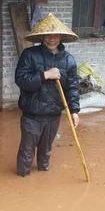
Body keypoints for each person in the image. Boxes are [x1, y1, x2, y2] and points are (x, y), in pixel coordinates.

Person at [15, 13, 80, 177]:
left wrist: (74, 111)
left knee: (46, 151)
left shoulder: (69, 61)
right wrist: (45, 75)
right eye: (48, 35)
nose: (52, 39)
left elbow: (72, 87)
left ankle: (43, 177)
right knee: (27, 150)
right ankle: (22, 179)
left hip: (53, 114)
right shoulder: (29, 55)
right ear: (42, 36)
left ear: (61, 37)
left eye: (55, 35)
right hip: (32, 114)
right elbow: (21, 80)